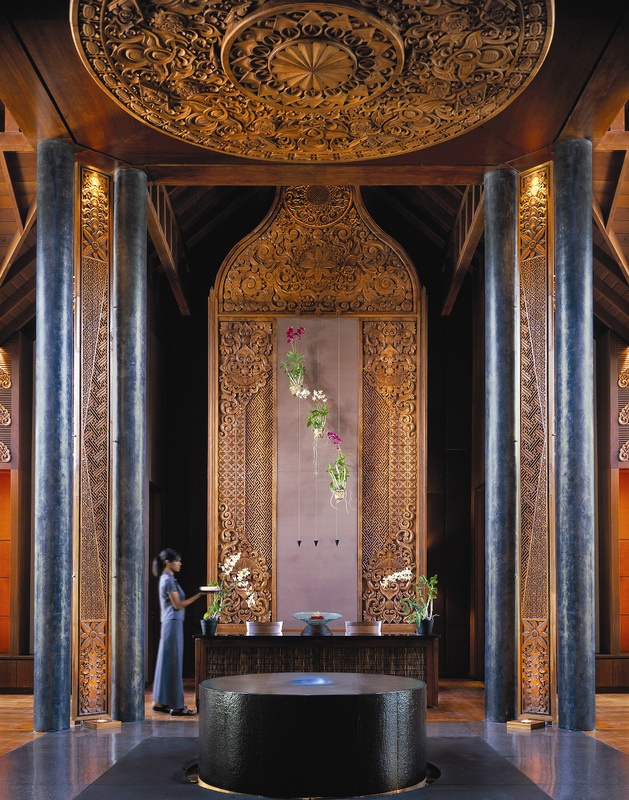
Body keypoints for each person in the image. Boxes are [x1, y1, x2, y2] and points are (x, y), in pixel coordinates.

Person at [151, 548, 202, 716]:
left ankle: (159, 702)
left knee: (166, 662)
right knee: (174, 663)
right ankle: (177, 706)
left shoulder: (165, 578)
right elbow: (178, 605)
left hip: (169, 623)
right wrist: (199, 595)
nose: (180, 563)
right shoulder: (169, 580)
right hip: (173, 623)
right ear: (168, 562)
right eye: (177, 560)